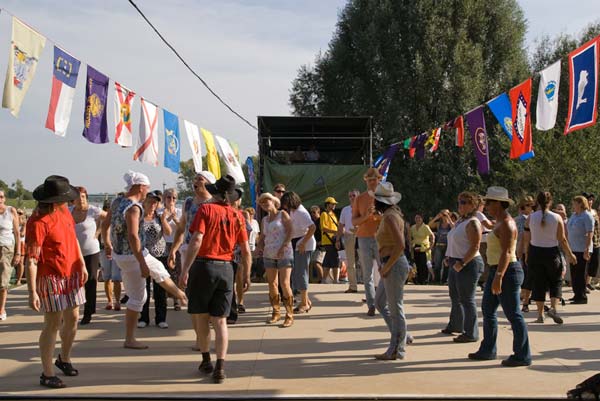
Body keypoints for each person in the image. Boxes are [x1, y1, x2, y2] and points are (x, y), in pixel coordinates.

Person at [102, 171, 187, 349]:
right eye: (146, 188)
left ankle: (181, 295)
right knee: (138, 297)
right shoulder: (134, 207)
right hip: (133, 255)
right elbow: (133, 236)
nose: (147, 191)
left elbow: (105, 224)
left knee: (159, 270)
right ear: (140, 187)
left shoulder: (118, 201)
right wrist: (141, 262)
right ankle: (130, 339)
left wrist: (108, 243)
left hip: (123, 254)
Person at [180, 175, 251, 384]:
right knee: (220, 321)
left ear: (216, 193)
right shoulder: (238, 216)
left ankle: (206, 360)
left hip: (203, 266)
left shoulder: (205, 209)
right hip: (227, 268)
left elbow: (196, 240)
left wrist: (185, 269)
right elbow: (246, 250)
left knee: (202, 317)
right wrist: (246, 274)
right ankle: (220, 366)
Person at [25, 176, 87, 388]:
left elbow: (73, 238)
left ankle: (64, 358)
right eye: (65, 198)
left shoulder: (64, 213)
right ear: (54, 200)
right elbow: (32, 259)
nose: (68, 201)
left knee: (73, 318)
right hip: (51, 276)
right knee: (52, 323)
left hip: (72, 273)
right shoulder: (37, 222)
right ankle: (47, 373)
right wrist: (32, 291)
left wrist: (82, 263)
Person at [468, 187, 531, 367]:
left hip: (507, 271)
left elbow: (507, 252)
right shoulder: (498, 222)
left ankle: (522, 355)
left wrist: (499, 277)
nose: (486, 205)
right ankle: (488, 349)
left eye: (489, 202)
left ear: (499, 204)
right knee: (488, 310)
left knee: (513, 314)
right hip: (498, 271)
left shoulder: (507, 224)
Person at [168, 171, 215, 350]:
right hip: (187, 250)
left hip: (207, 254)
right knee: (195, 298)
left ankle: (207, 334)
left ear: (208, 183)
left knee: (207, 298)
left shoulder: (214, 203)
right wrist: (173, 249)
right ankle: (200, 339)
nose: (195, 182)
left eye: (200, 180)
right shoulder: (188, 202)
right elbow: (182, 228)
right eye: (195, 179)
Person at [371, 182, 411, 360]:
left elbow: (400, 244)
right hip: (390, 263)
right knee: (380, 303)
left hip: (393, 265)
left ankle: (397, 348)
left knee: (395, 308)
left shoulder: (389, 217)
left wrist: (386, 266)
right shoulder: (390, 215)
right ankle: (401, 336)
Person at [524, 191, 576, 324]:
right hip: (552, 253)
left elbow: (526, 238)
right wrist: (570, 254)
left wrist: (526, 253)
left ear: (537, 201)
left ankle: (540, 315)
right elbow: (562, 239)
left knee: (538, 283)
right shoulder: (556, 218)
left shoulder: (530, 217)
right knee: (556, 281)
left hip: (535, 252)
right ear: (550, 202)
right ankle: (553, 308)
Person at [442, 191, 483, 343]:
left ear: (473, 206)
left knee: (467, 299)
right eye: (459, 202)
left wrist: (462, 262)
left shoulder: (473, 222)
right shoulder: (460, 221)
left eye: (464, 202)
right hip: (455, 261)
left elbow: (475, 246)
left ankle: (471, 333)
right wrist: (449, 257)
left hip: (468, 263)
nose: (460, 205)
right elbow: (455, 240)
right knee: (455, 297)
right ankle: (456, 325)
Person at [256, 192, 294, 327]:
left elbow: (290, 231)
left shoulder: (282, 214)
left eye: (267, 201)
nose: (265, 204)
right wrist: (258, 247)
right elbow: (262, 237)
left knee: (284, 283)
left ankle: (289, 314)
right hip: (269, 253)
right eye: (262, 203)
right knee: (272, 284)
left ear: (273, 202)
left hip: (284, 253)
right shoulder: (264, 220)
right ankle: (276, 312)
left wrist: (283, 246)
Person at [70, 186, 106, 325]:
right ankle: (71, 311)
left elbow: (108, 218)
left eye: (83, 197)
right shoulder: (68, 211)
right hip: (73, 252)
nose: (80, 200)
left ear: (86, 197)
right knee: (73, 282)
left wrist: (98, 232)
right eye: (77, 198)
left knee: (90, 281)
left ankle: (88, 312)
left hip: (91, 251)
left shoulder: (93, 210)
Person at [139, 190, 172, 329]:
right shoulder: (138, 216)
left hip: (160, 255)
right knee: (143, 288)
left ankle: (161, 318)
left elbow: (169, 232)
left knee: (160, 288)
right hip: (143, 256)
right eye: (151, 201)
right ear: (144, 202)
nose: (153, 204)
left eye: (156, 202)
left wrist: (164, 219)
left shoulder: (159, 217)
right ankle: (144, 318)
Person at [352, 168, 383, 316]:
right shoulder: (359, 198)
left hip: (381, 238)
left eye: (374, 179)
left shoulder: (385, 196)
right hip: (363, 237)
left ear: (379, 180)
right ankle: (371, 305)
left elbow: (392, 218)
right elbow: (354, 221)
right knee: (367, 275)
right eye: (369, 180)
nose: (371, 182)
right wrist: (365, 216)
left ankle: (383, 302)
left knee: (385, 271)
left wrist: (379, 216)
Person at [281, 191, 316, 313]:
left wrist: (303, 243)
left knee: (301, 273)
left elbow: (312, 227)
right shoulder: (294, 211)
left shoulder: (301, 212)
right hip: (298, 243)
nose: (284, 206)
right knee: (298, 273)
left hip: (304, 245)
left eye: (285, 203)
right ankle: (305, 300)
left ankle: (304, 303)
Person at [567, 195, 594, 304]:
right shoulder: (574, 215)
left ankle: (582, 296)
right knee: (574, 273)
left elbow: (589, 233)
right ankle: (576, 293)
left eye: (575, 203)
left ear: (580, 204)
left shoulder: (587, 216)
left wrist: (587, 248)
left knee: (580, 273)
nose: (573, 205)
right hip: (573, 248)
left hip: (582, 248)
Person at [0, 189, 21, 320]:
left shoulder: (11, 211)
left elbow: (17, 233)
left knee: (3, 282)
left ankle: (1, 309)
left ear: (5, 198)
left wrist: (18, 252)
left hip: (6, 249)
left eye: (1, 196)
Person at [99, 199, 122, 311]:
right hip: (104, 250)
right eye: (108, 210)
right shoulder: (101, 220)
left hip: (116, 250)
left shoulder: (119, 219)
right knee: (107, 277)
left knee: (116, 278)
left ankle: (117, 301)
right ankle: (109, 301)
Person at [162, 188, 182, 310]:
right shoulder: (160, 212)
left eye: (174, 197)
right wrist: (166, 219)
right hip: (163, 244)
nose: (171, 200)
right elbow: (162, 229)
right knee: (163, 273)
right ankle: (163, 298)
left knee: (176, 273)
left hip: (176, 244)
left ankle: (176, 299)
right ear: (164, 199)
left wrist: (175, 219)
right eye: (169, 197)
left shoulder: (179, 212)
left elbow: (182, 228)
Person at [514, 196, 535, 312]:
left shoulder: (517, 219)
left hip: (520, 249)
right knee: (528, 276)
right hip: (525, 250)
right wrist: (523, 252)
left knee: (526, 276)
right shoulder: (523, 219)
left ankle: (524, 297)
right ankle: (525, 299)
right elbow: (522, 236)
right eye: (530, 205)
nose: (532, 208)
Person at [338, 190, 359, 293]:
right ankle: (353, 286)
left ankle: (371, 289)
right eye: (350, 196)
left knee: (365, 263)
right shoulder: (345, 210)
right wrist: (338, 239)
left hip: (362, 235)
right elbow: (341, 225)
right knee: (350, 262)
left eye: (354, 195)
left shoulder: (363, 209)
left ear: (358, 196)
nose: (351, 197)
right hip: (349, 236)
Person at [429, 209, 454, 284]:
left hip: (448, 246)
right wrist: (437, 217)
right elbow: (429, 225)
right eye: (443, 214)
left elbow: (454, 228)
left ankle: (444, 280)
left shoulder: (450, 224)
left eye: (446, 213)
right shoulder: (438, 224)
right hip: (439, 246)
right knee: (437, 264)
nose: (444, 215)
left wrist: (448, 218)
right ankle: (436, 280)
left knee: (447, 264)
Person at [410, 214, 435, 284]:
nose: (417, 219)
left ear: (422, 219)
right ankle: (419, 280)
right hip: (415, 247)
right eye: (416, 218)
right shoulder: (413, 227)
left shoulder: (425, 227)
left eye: (419, 218)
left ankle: (424, 280)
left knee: (423, 264)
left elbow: (432, 235)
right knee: (417, 263)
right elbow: (409, 236)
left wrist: (431, 245)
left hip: (424, 247)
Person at [582, 193, 600, 292]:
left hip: (596, 241)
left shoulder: (594, 212)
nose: (590, 201)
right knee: (586, 264)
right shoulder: (583, 214)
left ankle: (588, 282)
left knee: (594, 263)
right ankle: (583, 285)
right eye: (589, 200)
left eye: (591, 200)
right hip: (587, 242)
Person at [309, 205, 325, 282]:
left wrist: (322, 241)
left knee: (316, 262)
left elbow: (324, 232)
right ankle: (320, 279)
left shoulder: (320, 221)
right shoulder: (312, 222)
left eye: (314, 212)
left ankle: (322, 280)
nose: (312, 214)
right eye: (311, 212)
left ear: (318, 212)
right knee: (314, 262)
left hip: (322, 246)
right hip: (315, 246)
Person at [14, 209, 26, 285]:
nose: (18, 214)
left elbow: (22, 234)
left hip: (21, 243)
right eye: (17, 213)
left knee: (21, 262)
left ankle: (19, 280)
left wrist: (15, 232)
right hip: (13, 242)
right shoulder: (13, 222)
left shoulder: (24, 224)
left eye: (20, 213)